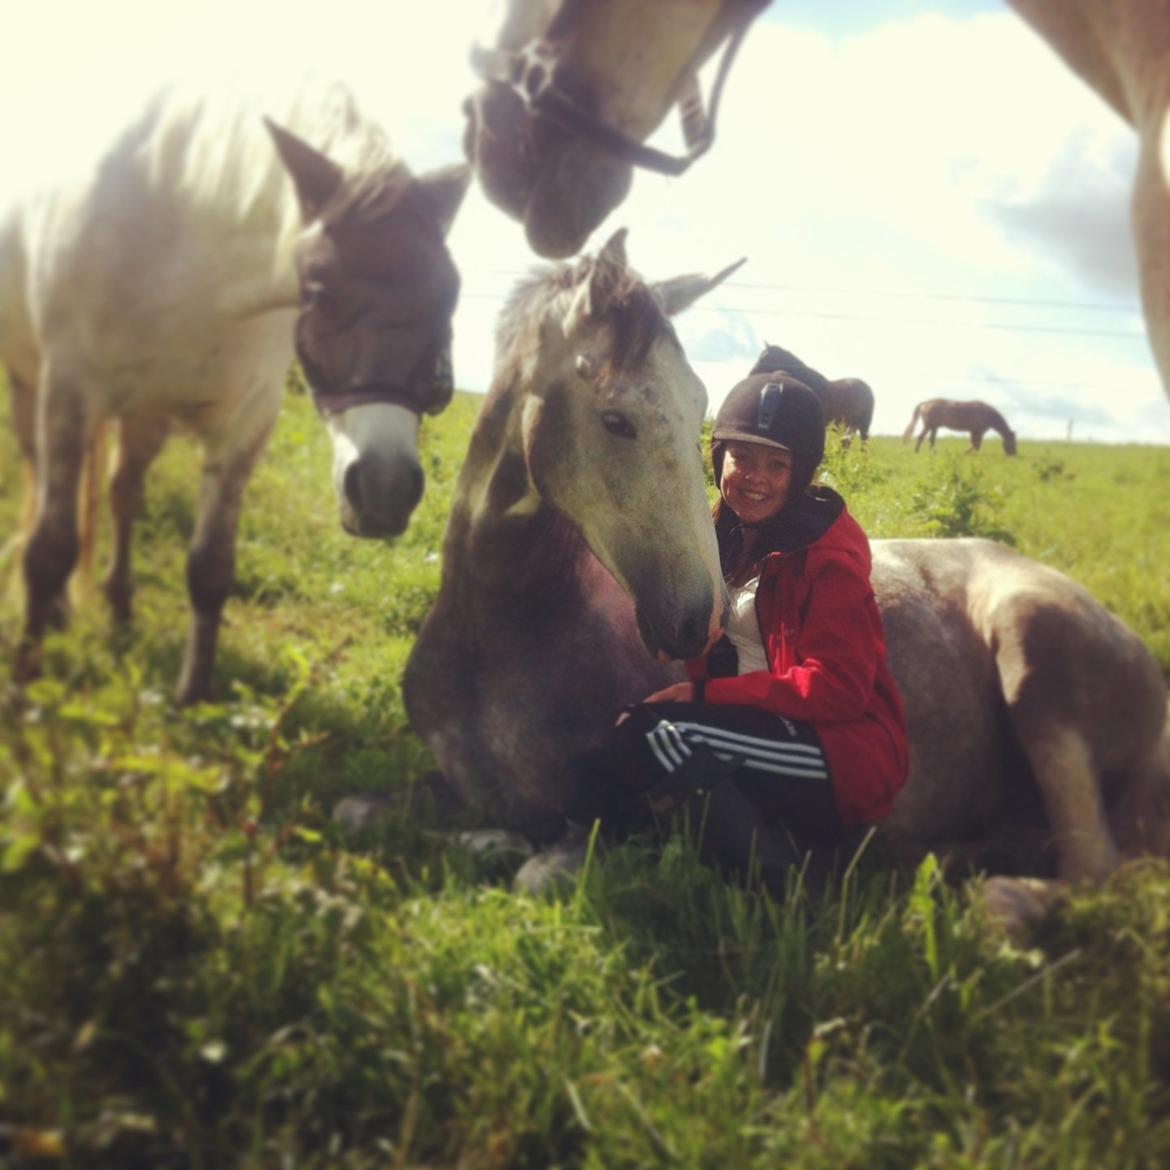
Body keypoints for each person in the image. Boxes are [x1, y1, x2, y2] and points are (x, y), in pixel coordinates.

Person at [563, 373, 909, 894]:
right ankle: (592, 852)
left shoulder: (826, 560)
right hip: (749, 722)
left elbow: (837, 689)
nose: (757, 478)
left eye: (777, 464)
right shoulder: (714, 534)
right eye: (742, 457)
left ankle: (790, 889)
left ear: (801, 473)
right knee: (611, 738)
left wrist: (702, 693)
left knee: (660, 736)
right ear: (717, 455)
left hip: (837, 747)